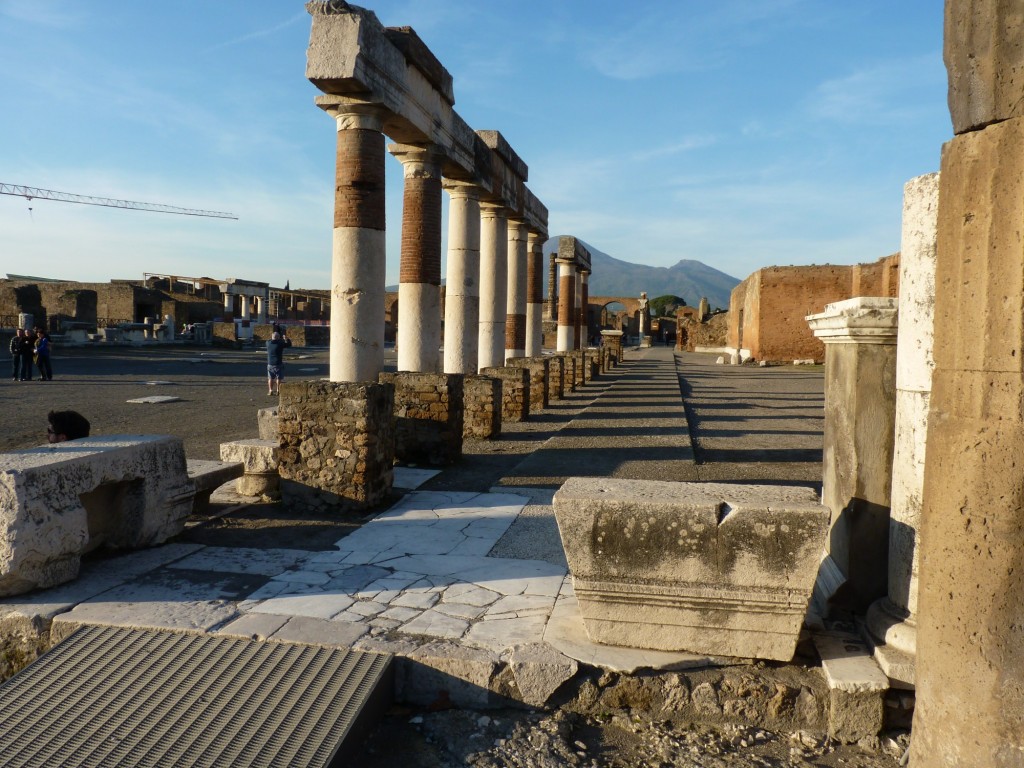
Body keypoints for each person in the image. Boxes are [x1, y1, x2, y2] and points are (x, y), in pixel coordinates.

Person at [266, 330, 292, 396]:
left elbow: (271, 339)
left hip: (270, 363)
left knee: (270, 378)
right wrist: (286, 338)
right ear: (278, 338)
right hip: (278, 363)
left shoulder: (268, 343)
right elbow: (289, 344)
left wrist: (276, 337)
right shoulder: (280, 344)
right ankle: (278, 390)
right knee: (279, 378)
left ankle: (270, 390)